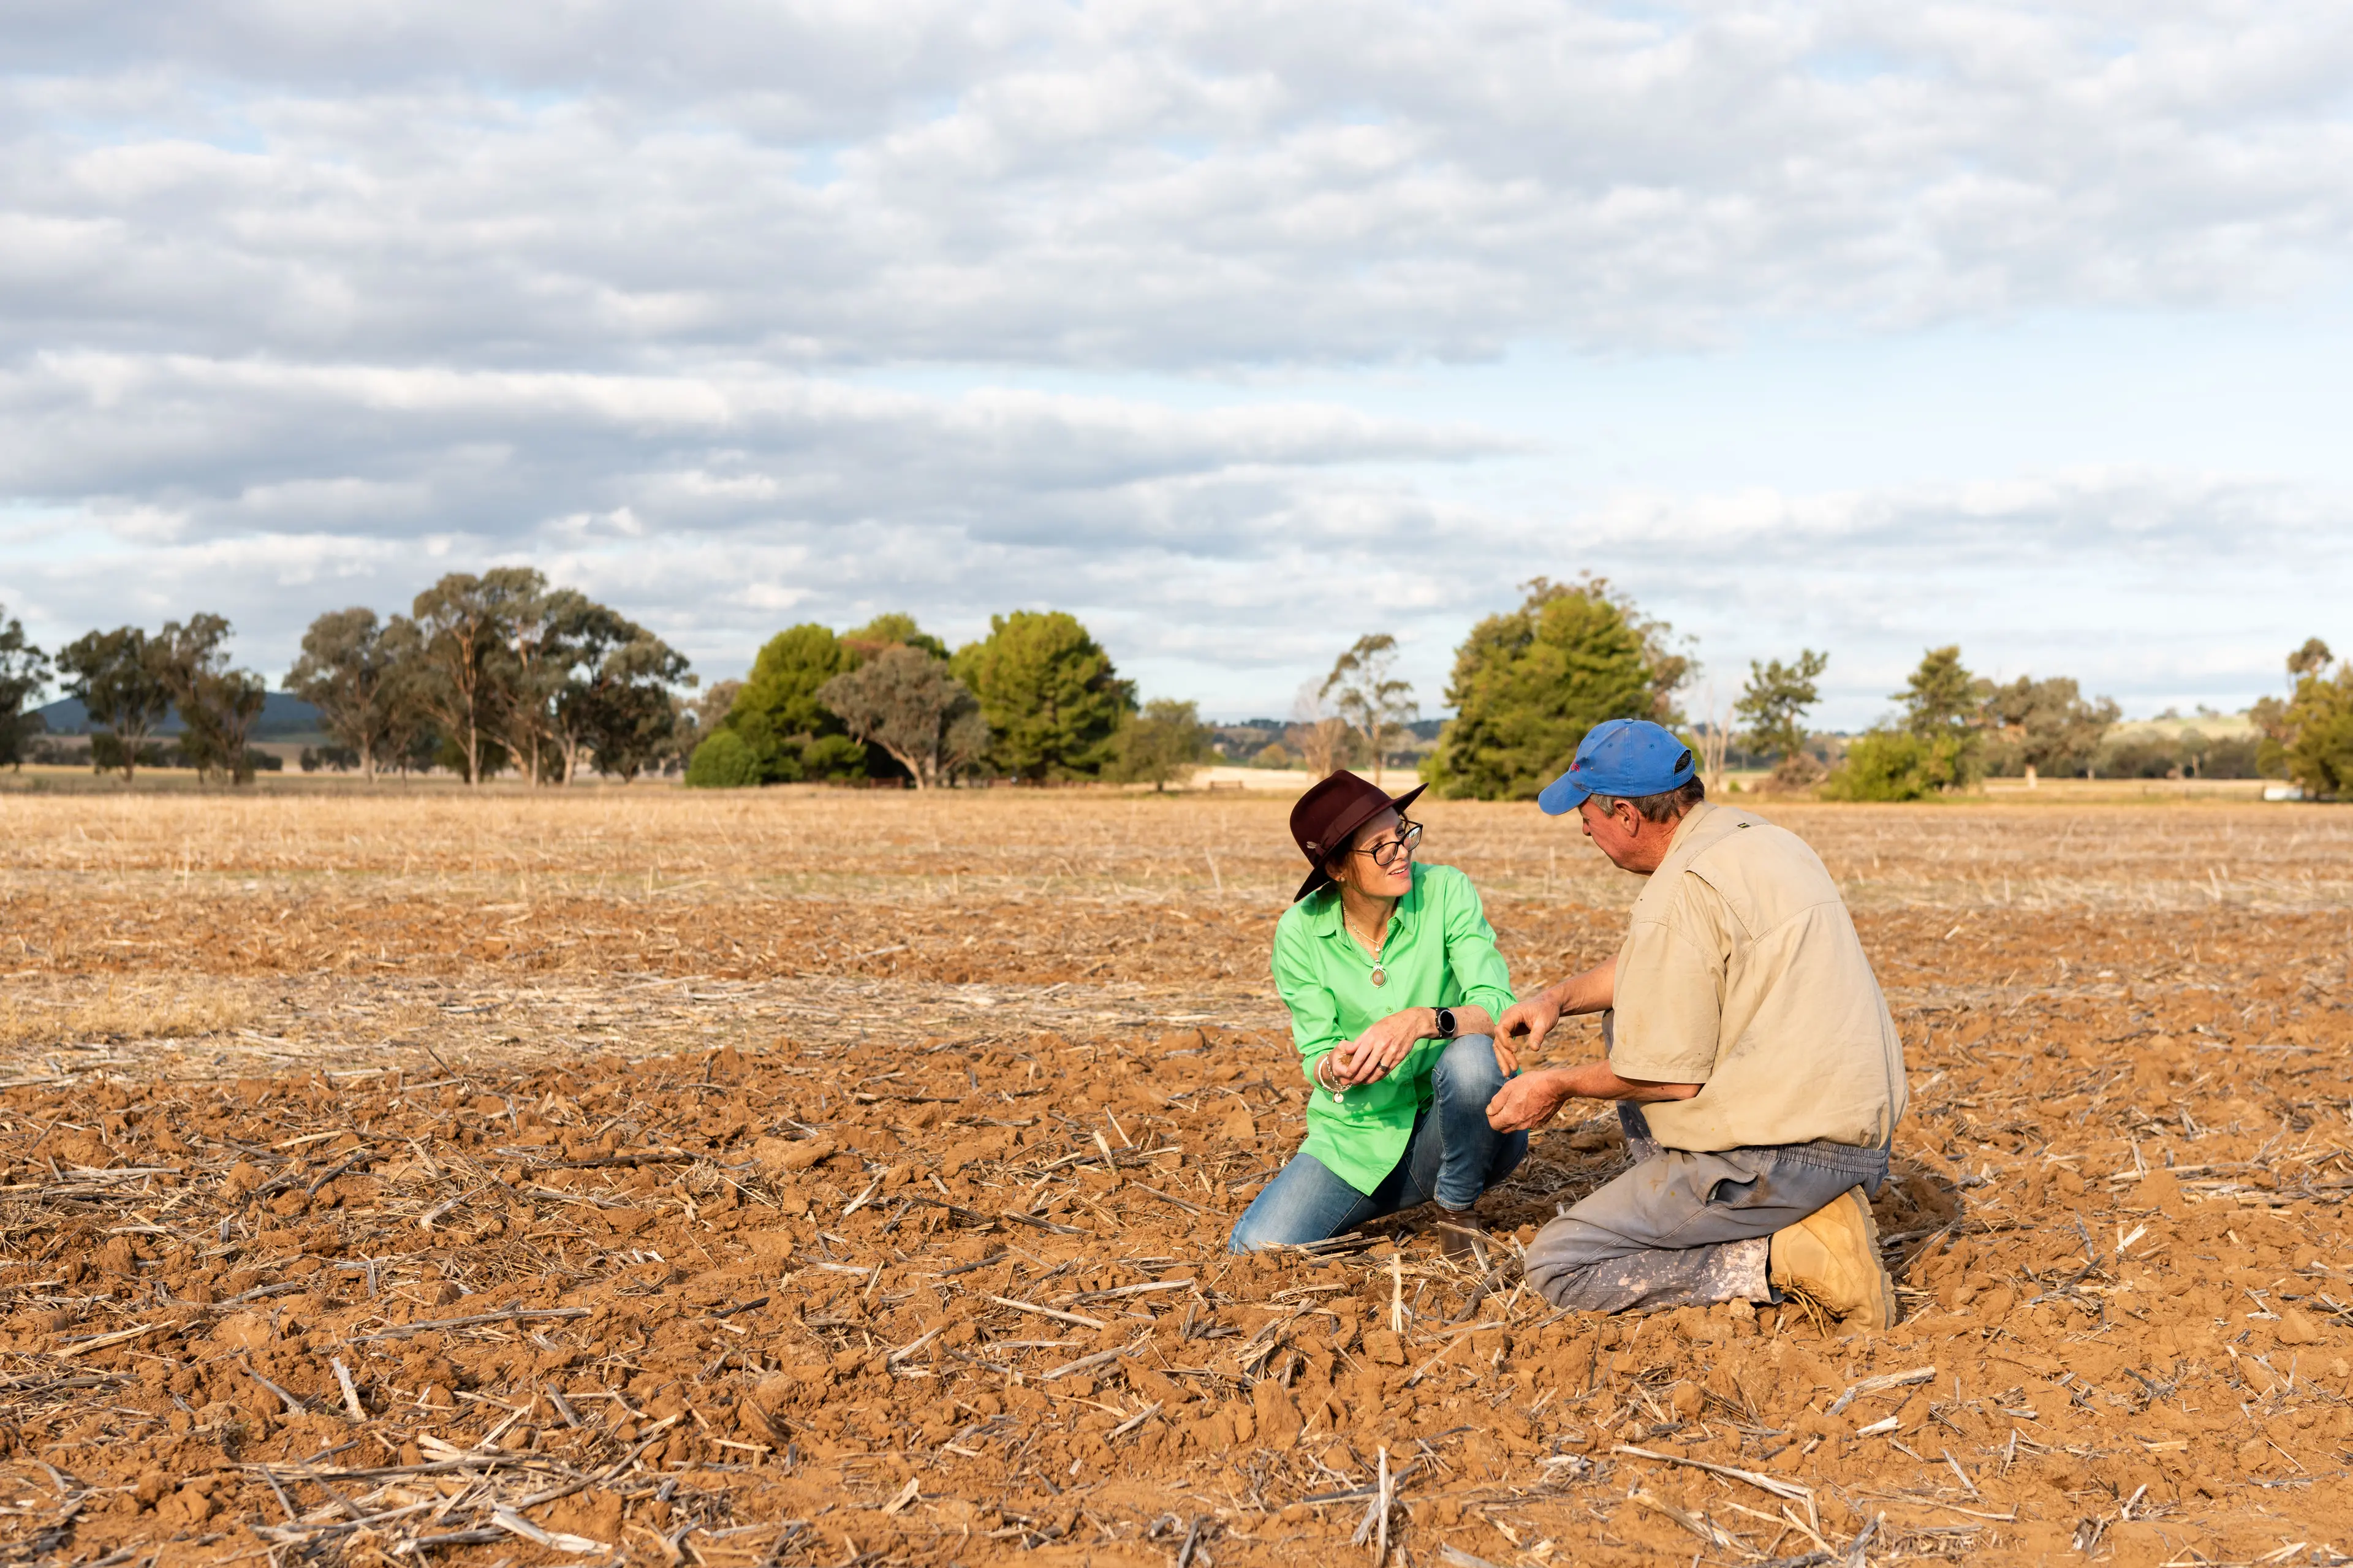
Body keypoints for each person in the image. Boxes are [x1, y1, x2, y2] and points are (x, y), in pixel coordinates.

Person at [1485, 719, 1909, 1329]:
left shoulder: (1680, 891)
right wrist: (1559, 997)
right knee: (1634, 1005)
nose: (1582, 826)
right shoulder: (1760, 840)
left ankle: (1785, 1257)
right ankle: (1795, 1215)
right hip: (1856, 1141)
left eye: (1586, 812)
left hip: (1782, 1161)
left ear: (1627, 816)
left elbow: (1669, 1081)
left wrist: (1558, 1084)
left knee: (1559, 1264)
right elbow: (1656, 965)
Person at [1229, 770, 1525, 1259]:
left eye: (1403, 832)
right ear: (1339, 869)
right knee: (1255, 1248)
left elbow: (1498, 1008)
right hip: (1356, 1141)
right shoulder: (1299, 932)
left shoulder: (1447, 890)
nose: (1403, 851)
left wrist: (1422, 1019)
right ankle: (1388, 1195)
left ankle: (1456, 1207)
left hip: (1458, 1130)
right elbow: (1316, 1055)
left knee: (1474, 1057)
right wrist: (1336, 1069)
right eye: (1381, 846)